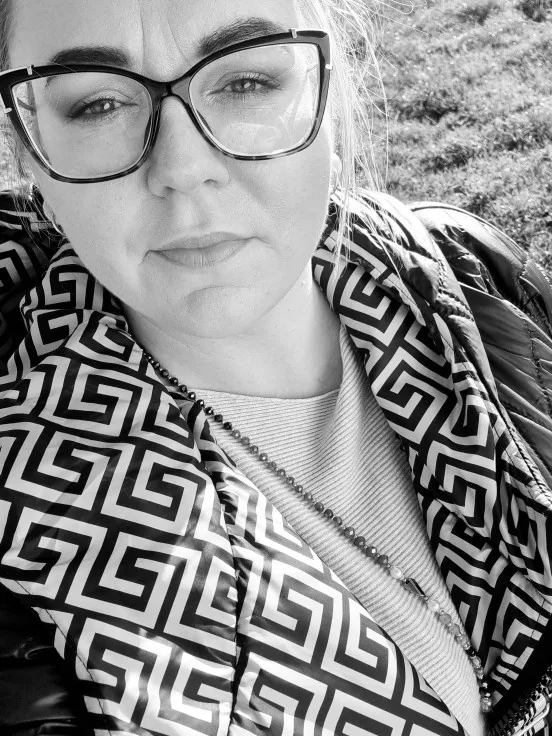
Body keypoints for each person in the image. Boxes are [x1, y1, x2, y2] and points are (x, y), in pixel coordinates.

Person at [0, 0, 551, 734]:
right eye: (98, 104)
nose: (184, 170)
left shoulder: (469, 282)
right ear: (31, 153)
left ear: (328, 92)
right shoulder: (22, 556)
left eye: (247, 82)